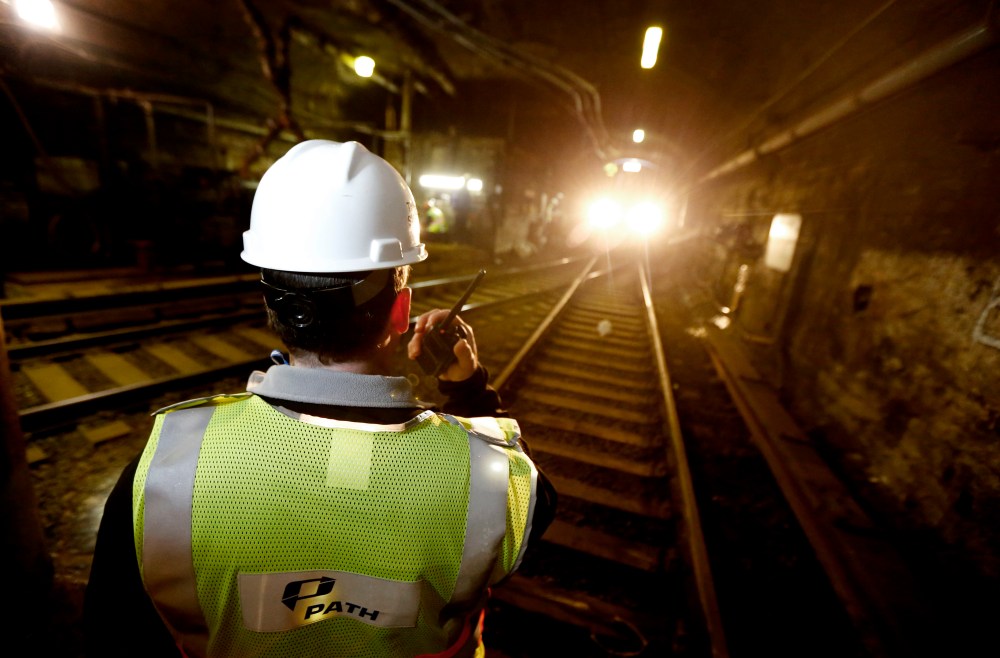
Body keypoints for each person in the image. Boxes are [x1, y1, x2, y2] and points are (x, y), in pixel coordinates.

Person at [83, 139, 557, 658]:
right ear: (401, 311)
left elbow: (114, 637)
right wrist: (468, 389)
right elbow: (525, 505)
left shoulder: (160, 477)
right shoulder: (489, 485)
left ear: (272, 303)